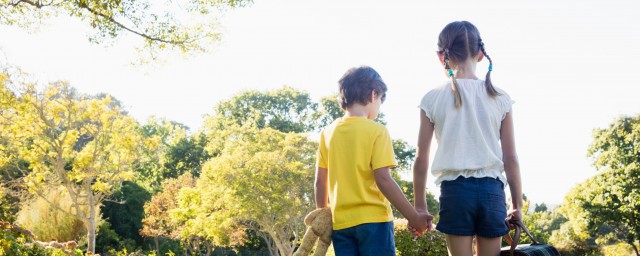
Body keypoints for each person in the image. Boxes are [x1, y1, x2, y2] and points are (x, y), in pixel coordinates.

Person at [412, 21, 523, 256]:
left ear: (441, 56)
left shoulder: (432, 99)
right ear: (480, 54)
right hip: (492, 193)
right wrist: (517, 205)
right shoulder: (501, 98)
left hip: (455, 192)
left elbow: (421, 159)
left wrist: (419, 207)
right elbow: (510, 158)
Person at [315, 66, 433, 256]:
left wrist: (321, 215)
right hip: (374, 222)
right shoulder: (377, 131)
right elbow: (383, 179)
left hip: (341, 225)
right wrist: (413, 217)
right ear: (373, 94)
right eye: (380, 101)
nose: (378, 107)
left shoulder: (327, 133)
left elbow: (320, 181)